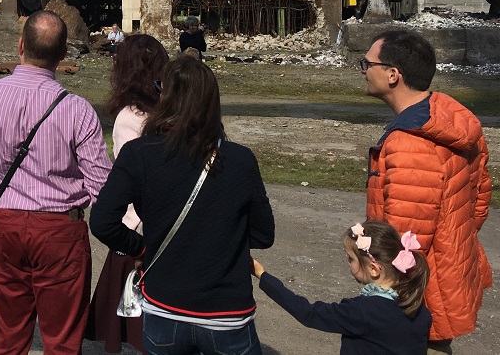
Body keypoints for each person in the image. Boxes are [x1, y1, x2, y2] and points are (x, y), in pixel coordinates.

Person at [0, 10, 112, 355]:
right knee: (63, 340)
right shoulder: (78, 110)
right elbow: (102, 187)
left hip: (3, 222)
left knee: (7, 336)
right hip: (59, 229)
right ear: (63, 54)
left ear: (20, 45)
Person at [90, 55, 275, 355]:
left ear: (165, 97)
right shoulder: (241, 160)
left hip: (165, 307)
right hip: (225, 311)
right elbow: (263, 235)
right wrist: (221, 239)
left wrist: (141, 248)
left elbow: (102, 221)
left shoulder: (140, 154)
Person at [361, 29, 491, 353]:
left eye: (367, 63)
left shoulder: (409, 143)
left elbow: (404, 241)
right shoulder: (453, 121)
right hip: (446, 276)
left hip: (418, 295)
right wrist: (452, 246)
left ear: (393, 75)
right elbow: (479, 200)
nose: (363, 70)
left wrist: (382, 291)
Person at [86, 34, 169, 354]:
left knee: (138, 328)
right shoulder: (168, 110)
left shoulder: (130, 117)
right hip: (167, 223)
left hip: (138, 229)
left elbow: (130, 180)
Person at [253, 220, 432, 354]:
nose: (348, 263)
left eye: (351, 258)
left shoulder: (362, 312)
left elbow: (309, 313)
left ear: (373, 269)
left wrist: (263, 275)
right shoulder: (418, 308)